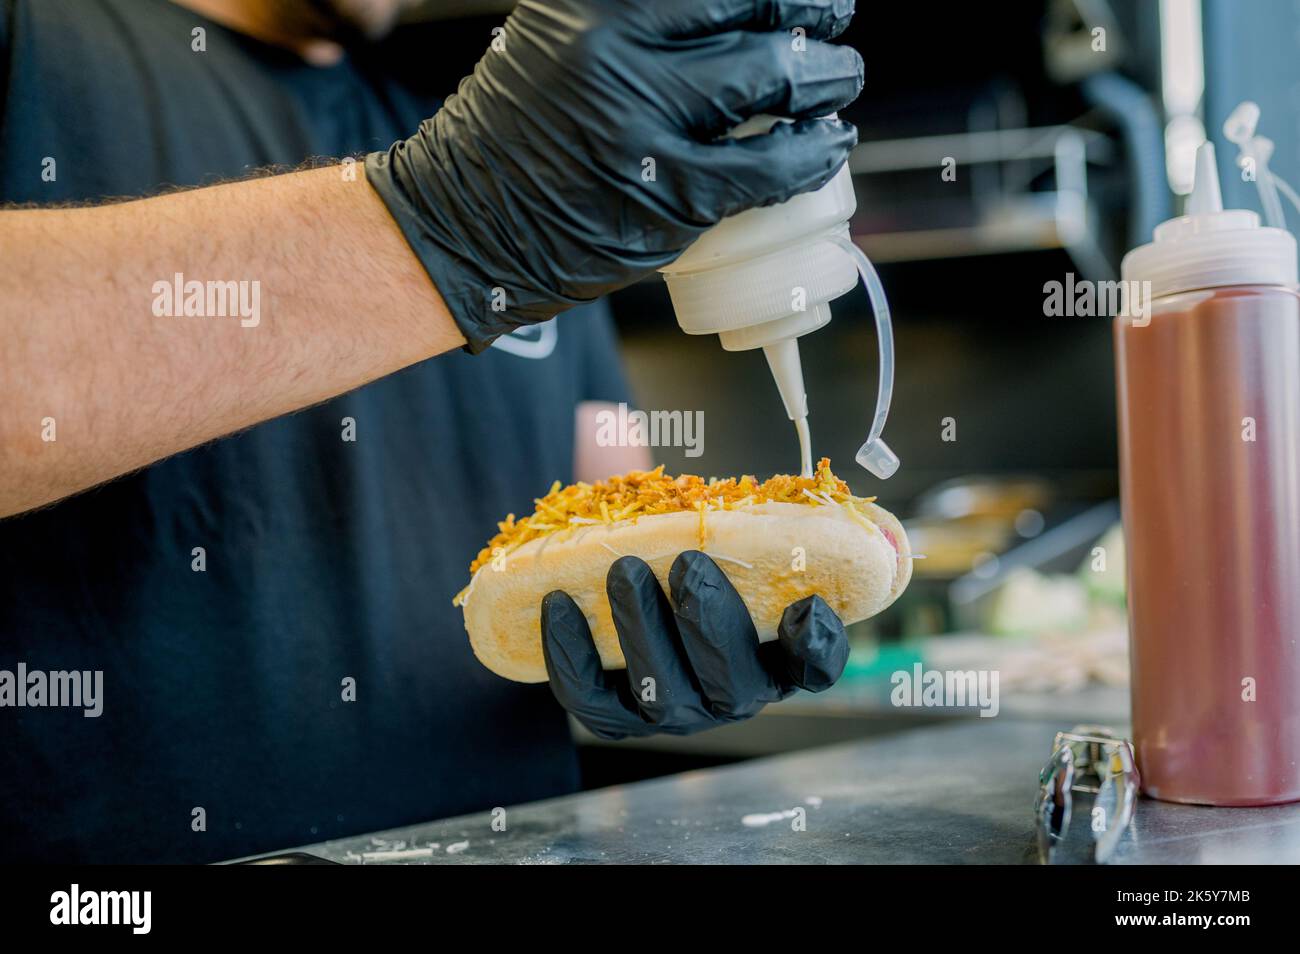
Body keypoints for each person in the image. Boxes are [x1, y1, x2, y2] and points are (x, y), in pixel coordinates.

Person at [0, 0, 863, 862]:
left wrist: (676, 640)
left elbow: (617, 497)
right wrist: (434, 221)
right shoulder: (36, 39)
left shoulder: (517, 114)